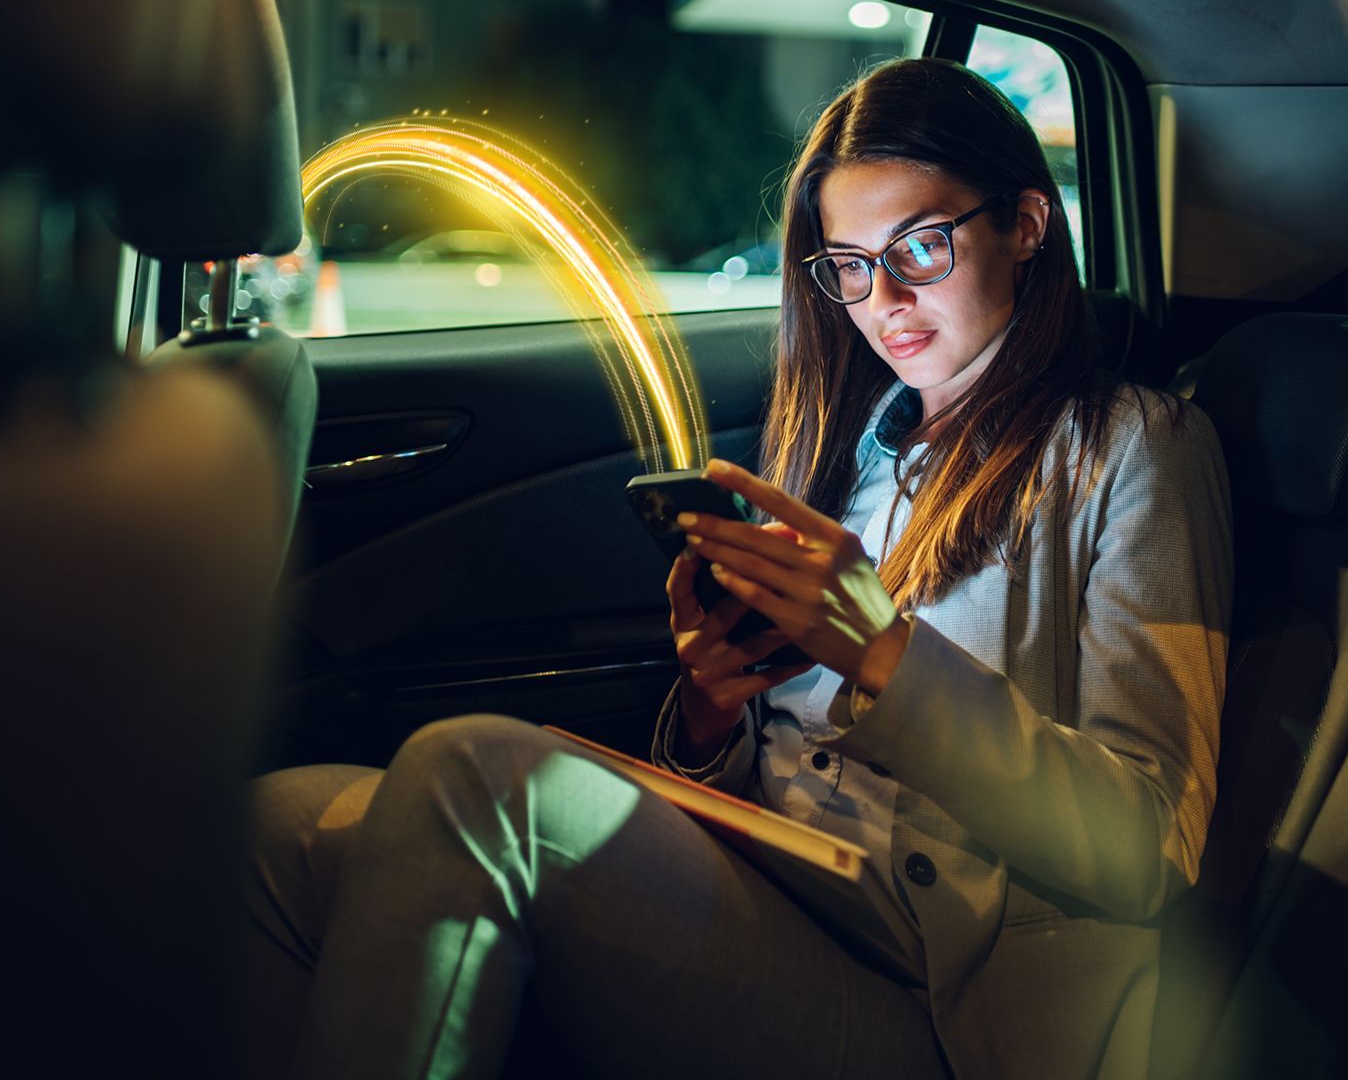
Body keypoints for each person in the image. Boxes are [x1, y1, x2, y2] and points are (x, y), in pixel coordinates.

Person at [241, 57, 1232, 1080]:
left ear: (1025, 224)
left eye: (919, 246)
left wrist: (886, 654)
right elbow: (774, 760)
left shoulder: (1134, 448)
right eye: (848, 265)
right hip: (789, 889)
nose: (881, 297)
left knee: (473, 774)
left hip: (943, 992)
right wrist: (713, 710)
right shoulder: (847, 452)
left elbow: (1147, 845)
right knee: (280, 824)